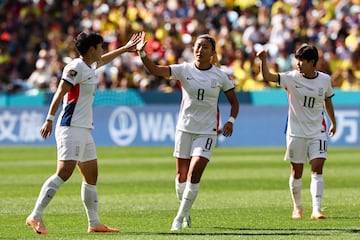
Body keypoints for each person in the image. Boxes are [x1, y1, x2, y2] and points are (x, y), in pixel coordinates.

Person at [25, 31, 142, 234]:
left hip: (84, 128)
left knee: (91, 175)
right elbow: (60, 92)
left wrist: (124, 48)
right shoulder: (75, 67)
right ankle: (35, 216)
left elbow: (102, 60)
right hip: (70, 127)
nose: (102, 50)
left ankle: (94, 223)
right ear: (91, 49)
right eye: (100, 46)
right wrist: (49, 119)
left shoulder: (88, 65)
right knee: (64, 172)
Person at [136, 32, 239, 231]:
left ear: (213, 52)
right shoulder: (183, 70)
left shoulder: (220, 76)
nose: (200, 50)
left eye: (205, 47)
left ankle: (178, 218)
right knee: (181, 177)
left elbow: (234, 102)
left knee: (194, 173)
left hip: (207, 132)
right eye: (198, 46)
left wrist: (231, 121)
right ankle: (186, 211)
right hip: (184, 128)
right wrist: (142, 54)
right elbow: (156, 70)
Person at [257, 44, 337, 220]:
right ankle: (297, 207)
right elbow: (268, 76)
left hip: (318, 131)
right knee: (297, 171)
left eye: (302, 60)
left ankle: (316, 210)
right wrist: (263, 60)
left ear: (312, 62)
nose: (298, 63)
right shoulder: (291, 78)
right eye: (297, 59)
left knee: (317, 168)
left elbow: (327, 101)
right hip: (296, 133)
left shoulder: (324, 79)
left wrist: (333, 121)